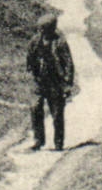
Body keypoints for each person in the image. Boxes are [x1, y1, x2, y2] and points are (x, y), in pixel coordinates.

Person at [26, 12, 74, 151]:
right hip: (39, 81)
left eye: (44, 28)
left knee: (57, 112)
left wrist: (67, 84)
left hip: (55, 82)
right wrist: (32, 71)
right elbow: (30, 58)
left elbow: (69, 64)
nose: (41, 31)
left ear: (51, 28)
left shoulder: (60, 42)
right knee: (35, 108)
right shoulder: (35, 41)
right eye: (40, 29)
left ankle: (58, 142)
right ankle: (38, 140)